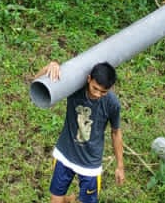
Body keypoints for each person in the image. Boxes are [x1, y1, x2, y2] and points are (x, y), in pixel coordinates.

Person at [36, 61, 124, 203]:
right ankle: (68, 200)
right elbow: (37, 82)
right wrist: (49, 67)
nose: (98, 94)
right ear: (89, 79)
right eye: (95, 88)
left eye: (103, 92)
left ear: (110, 88)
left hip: (90, 164)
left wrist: (120, 166)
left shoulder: (112, 104)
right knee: (55, 200)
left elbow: (116, 132)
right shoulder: (74, 88)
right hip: (65, 154)